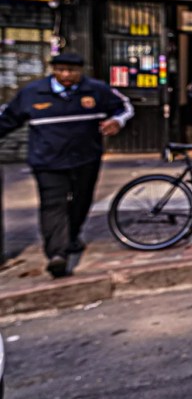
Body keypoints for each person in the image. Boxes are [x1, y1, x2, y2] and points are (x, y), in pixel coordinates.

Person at [0, 52, 133, 278]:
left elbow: (124, 107)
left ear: (81, 71)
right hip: (48, 160)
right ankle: (57, 254)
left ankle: (71, 237)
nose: (66, 75)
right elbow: (8, 120)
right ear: (53, 69)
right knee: (53, 205)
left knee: (81, 200)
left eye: (71, 71)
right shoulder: (33, 93)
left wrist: (117, 121)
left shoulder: (96, 90)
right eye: (60, 70)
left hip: (86, 157)